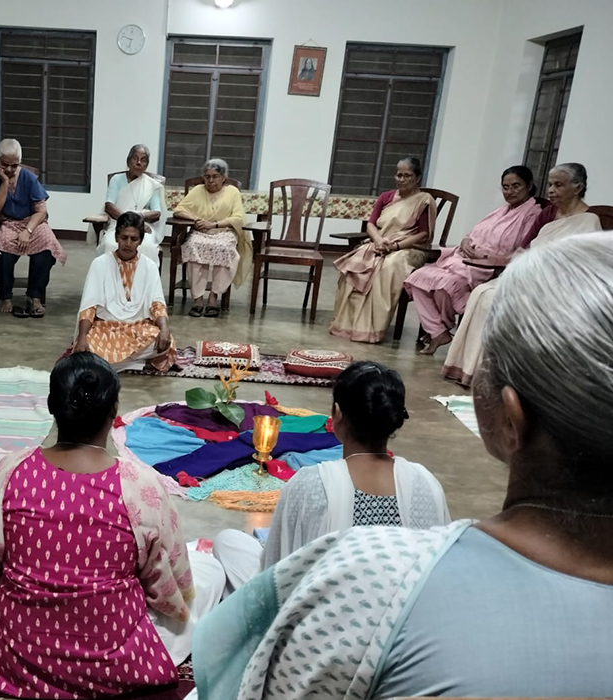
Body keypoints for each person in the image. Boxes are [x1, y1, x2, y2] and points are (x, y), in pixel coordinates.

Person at [194, 234, 613, 700]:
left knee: (232, 546)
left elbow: (273, 592)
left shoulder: (374, 577)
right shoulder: (424, 485)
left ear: (510, 420)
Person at [0, 352, 225, 697]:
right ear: (114, 411)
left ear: (50, 405)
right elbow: (167, 588)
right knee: (208, 572)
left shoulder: (11, 470)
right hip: (116, 659)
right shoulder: (142, 485)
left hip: (21, 652)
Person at [211, 361, 449, 595]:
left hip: (323, 623)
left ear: (337, 414)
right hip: (401, 623)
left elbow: (274, 574)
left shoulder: (311, 483)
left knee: (229, 542)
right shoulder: (426, 483)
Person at [443, 162, 601, 386]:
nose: (551, 190)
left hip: (556, 285)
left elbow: (583, 265)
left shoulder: (589, 220)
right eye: (549, 184)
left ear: (578, 187)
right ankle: (470, 368)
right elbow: (525, 250)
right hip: (529, 274)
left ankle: (495, 375)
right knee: (481, 292)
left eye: (559, 185)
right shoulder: (548, 214)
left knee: (492, 298)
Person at [404, 165, 542, 355]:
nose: (510, 191)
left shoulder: (533, 214)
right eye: (505, 187)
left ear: (529, 185)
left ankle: (438, 331)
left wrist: (484, 257)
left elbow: (521, 250)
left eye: (516, 186)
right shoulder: (500, 210)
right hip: (461, 259)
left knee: (444, 288)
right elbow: (473, 233)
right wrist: (466, 241)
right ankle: (438, 332)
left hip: (487, 267)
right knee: (418, 278)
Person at [331, 157, 436, 343]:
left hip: (409, 248)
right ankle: (347, 326)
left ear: (417, 178)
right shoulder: (386, 197)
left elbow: (423, 234)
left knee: (388, 267)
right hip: (380, 243)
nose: (401, 179)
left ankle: (372, 329)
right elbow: (371, 224)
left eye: (407, 175)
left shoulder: (424, 201)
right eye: (399, 175)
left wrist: (395, 246)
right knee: (354, 265)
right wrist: (379, 240)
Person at [0, 138, 67, 317]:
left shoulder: (29, 177)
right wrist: (3, 182)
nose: (9, 169)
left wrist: (27, 231)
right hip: (3, 222)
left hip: (30, 222)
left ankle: (35, 295)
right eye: (5, 164)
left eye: (14, 165)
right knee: (1, 247)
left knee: (48, 243)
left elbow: (41, 211)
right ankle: (6, 296)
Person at [75, 212, 176, 373]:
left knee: (165, 342)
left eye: (134, 239)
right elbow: (90, 307)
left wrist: (164, 329)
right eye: (124, 238)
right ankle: (137, 363)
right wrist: (81, 338)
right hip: (106, 328)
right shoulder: (99, 264)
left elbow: (157, 304)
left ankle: (108, 364)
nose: (128, 243)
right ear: (116, 238)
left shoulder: (149, 267)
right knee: (88, 345)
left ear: (141, 241)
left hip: (138, 328)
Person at [172, 158, 251, 318]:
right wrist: (196, 220)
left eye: (215, 176)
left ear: (223, 177)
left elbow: (238, 218)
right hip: (201, 232)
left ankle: (214, 296)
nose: (211, 180)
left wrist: (214, 224)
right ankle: (198, 299)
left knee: (225, 249)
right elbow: (179, 210)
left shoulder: (232, 192)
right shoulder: (198, 190)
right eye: (207, 176)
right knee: (193, 245)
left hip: (223, 231)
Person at [96, 144, 164, 262]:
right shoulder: (117, 179)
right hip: (118, 225)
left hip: (142, 227)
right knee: (109, 244)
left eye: (143, 160)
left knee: (147, 246)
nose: (138, 163)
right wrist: (129, 220)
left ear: (146, 165)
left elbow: (156, 213)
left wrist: (139, 218)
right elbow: (109, 206)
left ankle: (142, 279)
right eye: (135, 158)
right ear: (128, 162)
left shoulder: (152, 185)